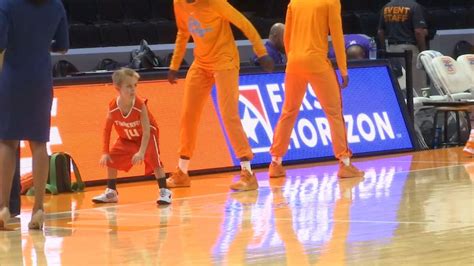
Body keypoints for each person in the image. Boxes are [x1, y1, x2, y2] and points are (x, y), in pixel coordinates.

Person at [167, 0, 274, 191]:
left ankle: (248, 174)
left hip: (225, 60)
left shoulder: (215, 3)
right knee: (188, 116)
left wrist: (261, 52)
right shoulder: (179, 3)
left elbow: (244, 24)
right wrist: (174, 65)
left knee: (229, 115)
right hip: (201, 63)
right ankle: (182, 172)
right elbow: (183, 32)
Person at [268, 0, 365, 179]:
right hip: (317, 62)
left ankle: (275, 162)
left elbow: (287, 36)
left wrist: (292, 59)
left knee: (288, 112)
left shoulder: (294, 3)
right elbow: (337, 36)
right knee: (334, 113)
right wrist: (343, 69)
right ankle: (344, 163)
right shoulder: (331, 2)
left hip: (294, 63)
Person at [0, 0, 69, 230]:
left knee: (8, 142)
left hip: (11, 77)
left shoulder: (6, 4)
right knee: (39, 143)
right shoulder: (56, 5)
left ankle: (2, 207)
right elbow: (63, 46)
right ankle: (39, 208)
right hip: (40, 77)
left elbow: (0, 45)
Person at [93, 68, 171, 205]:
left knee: (154, 159)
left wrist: (141, 152)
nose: (133, 90)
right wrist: (105, 152)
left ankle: (165, 191)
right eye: (129, 86)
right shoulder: (113, 106)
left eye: (135, 85)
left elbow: (147, 131)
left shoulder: (140, 104)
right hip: (127, 138)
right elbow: (107, 129)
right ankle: (111, 192)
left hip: (146, 135)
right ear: (117, 88)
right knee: (112, 157)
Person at [378, 0, 428, 95]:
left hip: (391, 50)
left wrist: (385, 49)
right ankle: (416, 109)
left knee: (396, 83)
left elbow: (380, 32)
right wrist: (423, 51)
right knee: (416, 87)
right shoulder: (414, 6)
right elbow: (418, 32)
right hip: (409, 50)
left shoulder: (386, 7)